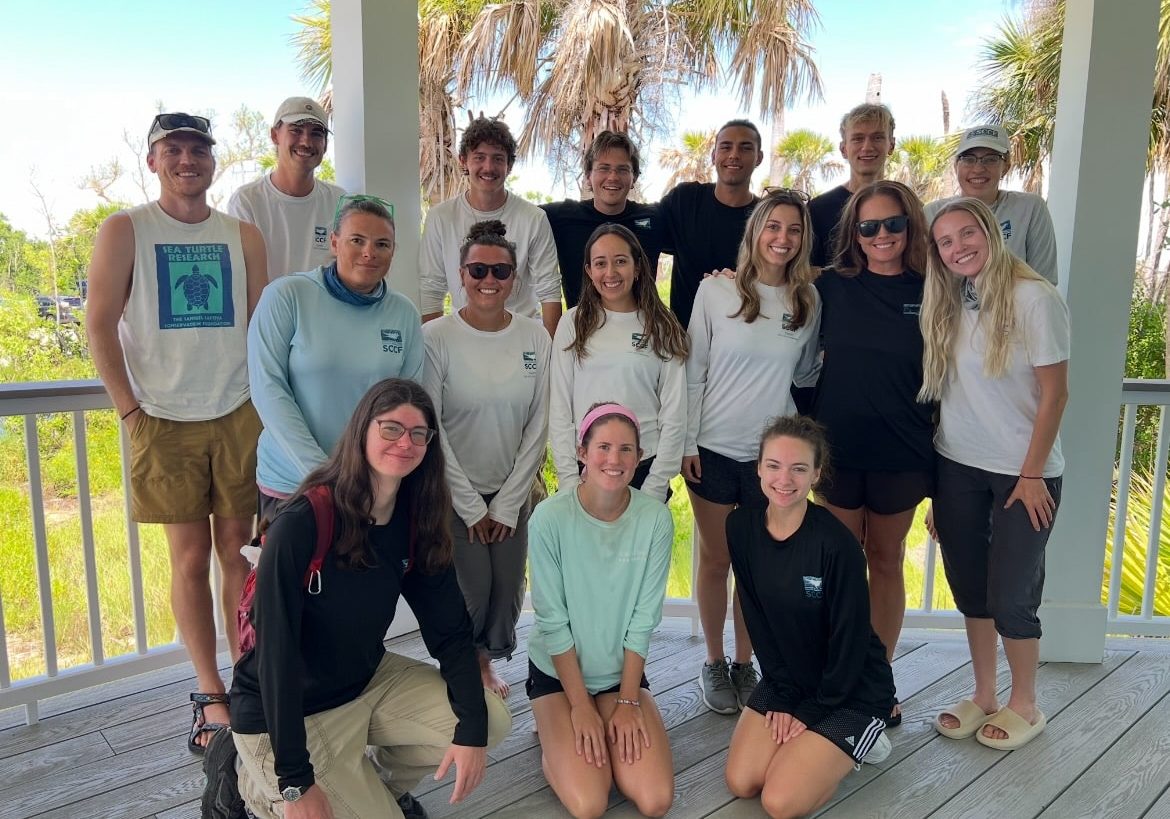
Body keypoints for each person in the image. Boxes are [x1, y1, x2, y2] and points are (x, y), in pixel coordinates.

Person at [214, 379, 512, 819]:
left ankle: (377, 783)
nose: (405, 442)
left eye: (418, 433)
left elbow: (449, 631)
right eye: (391, 428)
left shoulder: (416, 517)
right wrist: (295, 782)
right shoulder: (303, 522)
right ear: (362, 432)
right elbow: (274, 654)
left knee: (490, 720)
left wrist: (470, 731)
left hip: (364, 683)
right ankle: (250, 788)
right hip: (285, 715)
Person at [85, 112, 267, 753]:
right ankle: (210, 693)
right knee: (189, 560)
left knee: (239, 555)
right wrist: (130, 410)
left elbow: (261, 331)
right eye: (174, 150)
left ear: (212, 162)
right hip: (162, 417)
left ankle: (249, 676)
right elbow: (99, 324)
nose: (187, 160)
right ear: (154, 160)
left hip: (239, 410)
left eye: (198, 151)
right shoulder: (124, 230)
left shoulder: (242, 235)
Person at [923, 198, 1069, 750]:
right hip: (957, 465)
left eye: (968, 233)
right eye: (945, 241)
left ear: (990, 232)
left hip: (1022, 474)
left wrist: (1031, 474)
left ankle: (1025, 704)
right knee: (971, 589)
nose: (959, 246)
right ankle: (984, 694)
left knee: (1012, 594)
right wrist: (937, 491)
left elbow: (1056, 392)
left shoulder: (1035, 298)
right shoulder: (951, 298)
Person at [684, 190, 822, 715]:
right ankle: (716, 663)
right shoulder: (716, 292)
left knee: (759, 567)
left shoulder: (807, 300)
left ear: (802, 239)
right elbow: (693, 369)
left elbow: (806, 374)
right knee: (718, 559)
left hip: (773, 461)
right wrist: (686, 441)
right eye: (773, 227)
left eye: (793, 230)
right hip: (713, 448)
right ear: (755, 232)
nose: (782, 239)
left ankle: (747, 663)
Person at [724, 415, 895, 819]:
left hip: (850, 689)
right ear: (759, 468)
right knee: (743, 780)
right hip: (791, 678)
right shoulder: (741, 528)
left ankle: (860, 740)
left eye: (799, 468)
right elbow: (757, 619)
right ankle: (813, 748)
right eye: (774, 466)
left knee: (779, 802)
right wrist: (784, 696)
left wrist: (810, 712)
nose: (785, 479)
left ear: (816, 474)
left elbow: (850, 642)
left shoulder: (837, 546)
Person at [811, 180, 935, 726]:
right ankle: (839, 673)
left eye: (892, 224)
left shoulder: (936, 287)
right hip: (837, 447)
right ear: (854, 235)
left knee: (885, 562)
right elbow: (771, 285)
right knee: (839, 567)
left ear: (909, 226)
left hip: (903, 449)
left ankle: (877, 681)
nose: (881, 235)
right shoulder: (831, 286)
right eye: (868, 226)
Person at [422, 220, 551, 698]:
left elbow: (539, 423)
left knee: (507, 589)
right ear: (461, 274)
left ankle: (487, 660)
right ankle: (465, 664)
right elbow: (430, 427)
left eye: (501, 270)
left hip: (513, 489)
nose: (489, 280)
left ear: (515, 278)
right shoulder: (436, 338)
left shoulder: (536, 338)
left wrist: (506, 503)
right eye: (478, 269)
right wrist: (472, 506)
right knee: (472, 588)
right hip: (454, 491)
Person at [527, 403, 675, 819]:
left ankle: (601, 718)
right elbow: (553, 624)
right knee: (590, 803)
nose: (615, 459)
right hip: (559, 676)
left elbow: (644, 620)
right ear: (581, 451)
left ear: (639, 456)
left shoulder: (655, 519)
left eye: (626, 449)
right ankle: (551, 737)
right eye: (604, 447)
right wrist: (579, 707)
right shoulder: (549, 519)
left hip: (619, 678)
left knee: (655, 799)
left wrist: (628, 702)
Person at [248, 195, 423, 522]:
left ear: (393, 252)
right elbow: (267, 391)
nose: (369, 252)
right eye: (357, 240)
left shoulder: (404, 314)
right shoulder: (287, 296)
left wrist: (377, 480)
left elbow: (409, 408)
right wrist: (325, 477)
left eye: (382, 244)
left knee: (366, 574)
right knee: (297, 575)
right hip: (293, 485)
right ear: (334, 242)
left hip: (373, 489)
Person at [550, 224, 688, 503]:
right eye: (600, 263)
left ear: (638, 268)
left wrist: (657, 482)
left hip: (643, 467)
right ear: (589, 271)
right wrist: (568, 479)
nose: (610, 273)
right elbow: (560, 407)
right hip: (585, 468)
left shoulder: (661, 325)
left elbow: (675, 412)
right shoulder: (573, 323)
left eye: (621, 262)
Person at [420, 117, 562, 336]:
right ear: (463, 161)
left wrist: (551, 354)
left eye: (498, 158)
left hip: (522, 337)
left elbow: (549, 290)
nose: (488, 167)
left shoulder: (533, 218)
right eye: (479, 157)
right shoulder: (441, 217)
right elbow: (431, 288)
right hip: (463, 336)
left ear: (509, 165)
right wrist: (432, 347)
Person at [541, 131, 666, 308]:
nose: (613, 177)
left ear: (634, 178)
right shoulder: (561, 217)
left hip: (639, 329)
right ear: (588, 177)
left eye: (623, 169)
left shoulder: (655, 219)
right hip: (582, 328)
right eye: (604, 168)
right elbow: (515, 217)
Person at [659, 118, 764, 329]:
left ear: (759, 157)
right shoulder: (685, 200)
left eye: (745, 148)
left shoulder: (767, 218)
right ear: (714, 155)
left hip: (744, 339)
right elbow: (641, 231)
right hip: (685, 337)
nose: (734, 154)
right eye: (726, 147)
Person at [228, 96, 346, 281]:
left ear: (325, 144)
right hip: (267, 310)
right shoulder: (247, 201)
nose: (306, 142)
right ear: (275, 135)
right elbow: (241, 277)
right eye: (296, 130)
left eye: (316, 133)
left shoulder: (340, 200)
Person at [925, 124, 1058, 284]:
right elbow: (927, 280)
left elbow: (1043, 280)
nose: (978, 168)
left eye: (990, 159)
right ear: (956, 166)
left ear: (1006, 166)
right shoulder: (932, 214)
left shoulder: (1030, 208)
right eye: (968, 159)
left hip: (1014, 308)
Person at [809, 104, 896, 268]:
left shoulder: (906, 206)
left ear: (891, 145)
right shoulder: (818, 209)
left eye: (877, 137)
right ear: (843, 149)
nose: (867, 147)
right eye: (857, 139)